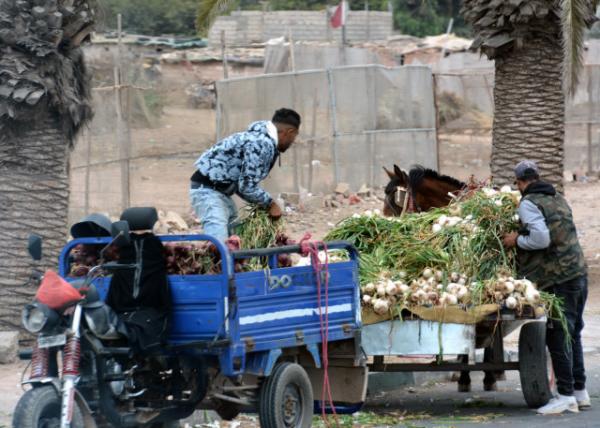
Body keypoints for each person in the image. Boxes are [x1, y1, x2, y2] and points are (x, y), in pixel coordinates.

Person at [502, 160, 589, 415]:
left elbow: (541, 238)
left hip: (558, 279)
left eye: (517, 183)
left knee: (558, 335)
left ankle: (564, 395)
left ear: (520, 182)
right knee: (572, 333)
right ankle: (580, 392)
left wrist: (515, 239)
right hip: (578, 273)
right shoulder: (557, 197)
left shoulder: (528, 203)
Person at [190, 108, 301, 241]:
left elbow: (242, 183)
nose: (292, 142)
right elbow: (247, 187)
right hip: (208, 192)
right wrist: (270, 204)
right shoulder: (261, 143)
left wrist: (262, 204)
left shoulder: (261, 139)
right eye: (293, 137)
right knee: (219, 246)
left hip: (221, 192)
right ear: (289, 132)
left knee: (235, 240)